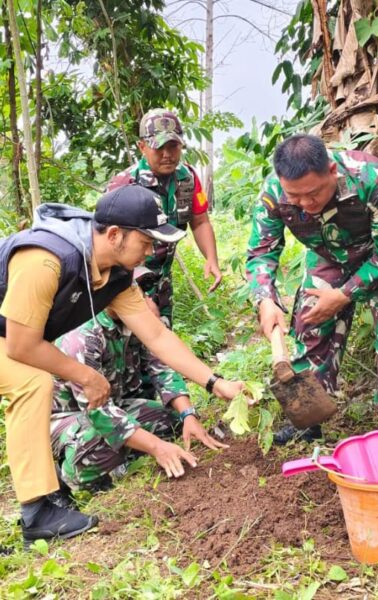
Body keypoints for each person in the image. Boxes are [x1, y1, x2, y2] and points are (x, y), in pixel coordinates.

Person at [0, 184, 243, 544]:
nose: (151, 251)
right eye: (146, 242)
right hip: (13, 339)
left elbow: (158, 338)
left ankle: (44, 506)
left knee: (35, 381)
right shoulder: (45, 259)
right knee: (34, 382)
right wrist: (86, 376)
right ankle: (38, 511)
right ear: (114, 235)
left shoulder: (116, 278)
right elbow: (21, 345)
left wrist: (215, 382)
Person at [246, 134, 378, 446]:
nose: (305, 204)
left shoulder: (374, 180)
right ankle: (308, 422)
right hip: (329, 255)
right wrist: (265, 300)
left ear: (331, 171)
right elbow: (261, 252)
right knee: (311, 323)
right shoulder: (274, 192)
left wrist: (343, 295)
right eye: (295, 197)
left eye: (313, 194)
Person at [50, 266, 226, 502]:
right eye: (130, 290)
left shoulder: (134, 323)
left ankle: (127, 453)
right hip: (73, 419)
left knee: (170, 420)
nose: (140, 296)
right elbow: (99, 414)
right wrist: (156, 447)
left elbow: (161, 367)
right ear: (108, 296)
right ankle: (68, 474)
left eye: (140, 290)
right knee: (102, 440)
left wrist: (188, 415)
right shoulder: (83, 336)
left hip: (116, 405)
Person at [107, 108, 221, 326]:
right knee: (128, 341)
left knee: (162, 336)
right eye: (159, 147)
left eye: (173, 146)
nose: (167, 154)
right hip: (126, 279)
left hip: (163, 279)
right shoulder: (125, 185)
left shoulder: (186, 178)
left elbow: (200, 220)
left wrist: (211, 258)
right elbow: (106, 246)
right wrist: (130, 288)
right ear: (142, 147)